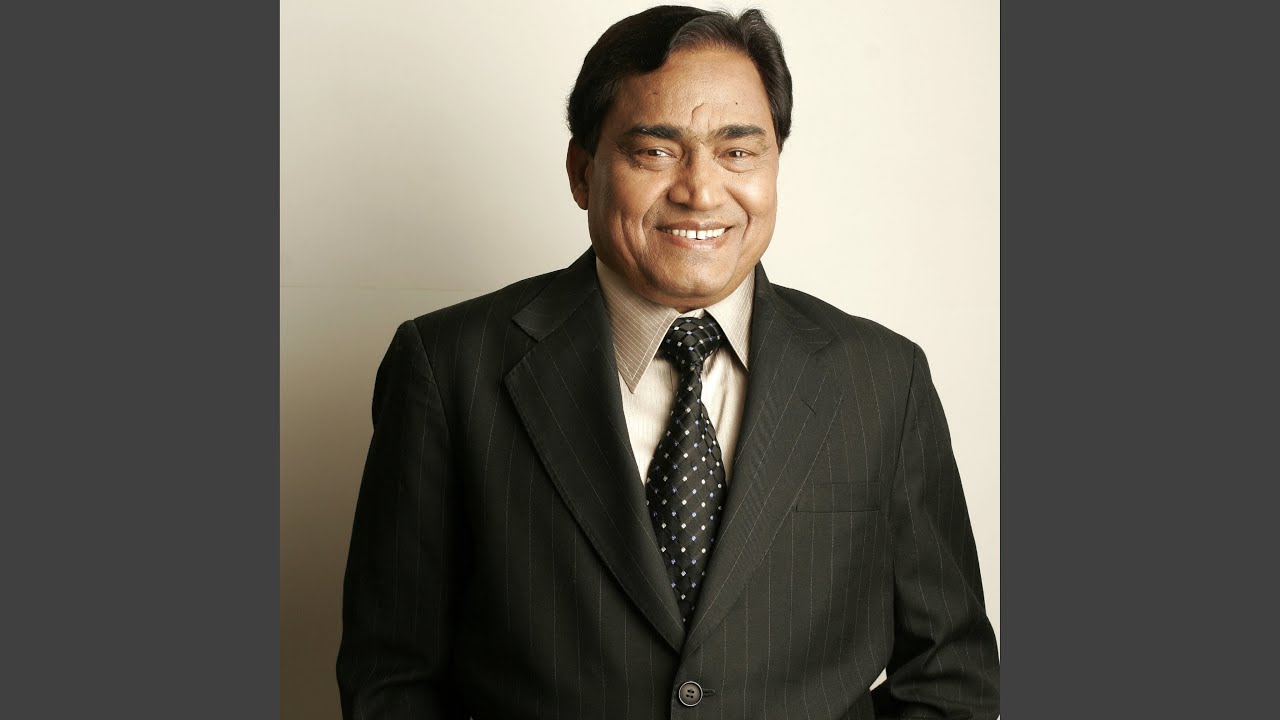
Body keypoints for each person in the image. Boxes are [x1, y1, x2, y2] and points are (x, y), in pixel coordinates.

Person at [336, 6, 999, 718]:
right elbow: (392, 679)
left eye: (738, 153)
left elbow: (950, 672)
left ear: (775, 165)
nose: (700, 192)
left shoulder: (883, 379)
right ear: (582, 171)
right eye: (655, 152)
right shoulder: (447, 368)